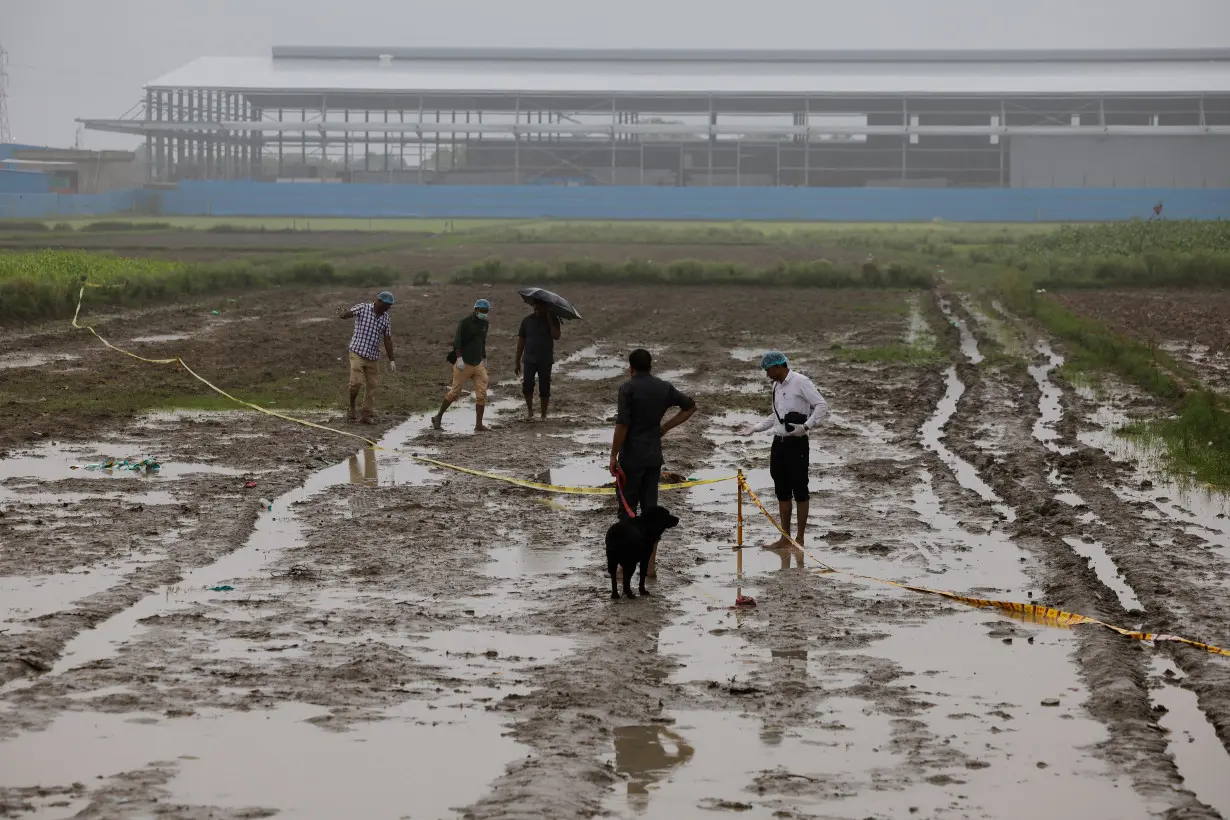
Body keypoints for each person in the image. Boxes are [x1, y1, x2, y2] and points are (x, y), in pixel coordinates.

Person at [609, 349, 696, 574]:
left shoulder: (627, 388)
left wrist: (613, 456)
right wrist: (665, 427)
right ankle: (650, 566)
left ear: (631, 368)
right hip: (653, 458)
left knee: (627, 511)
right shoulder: (663, 387)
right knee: (651, 512)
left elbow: (622, 424)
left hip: (631, 459)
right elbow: (690, 407)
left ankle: (623, 567)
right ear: (650, 366)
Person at [739, 351, 830, 549]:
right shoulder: (775, 386)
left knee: (800, 489)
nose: (766, 374)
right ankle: (785, 538)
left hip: (797, 443)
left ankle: (800, 538)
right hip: (778, 442)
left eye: (768, 370)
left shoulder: (801, 382)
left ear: (779, 366)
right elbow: (775, 416)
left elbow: (821, 405)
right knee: (781, 490)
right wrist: (755, 428)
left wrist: (806, 426)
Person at [433, 298, 492, 433]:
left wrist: (484, 357)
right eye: (483, 311)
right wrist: (459, 359)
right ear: (476, 310)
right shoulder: (464, 323)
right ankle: (438, 417)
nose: (485, 314)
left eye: (487, 311)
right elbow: (457, 343)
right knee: (455, 393)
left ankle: (478, 424)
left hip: (478, 363)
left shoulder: (485, 324)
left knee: (482, 393)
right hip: (464, 363)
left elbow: (482, 341)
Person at [339, 291, 396, 424]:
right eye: (386, 305)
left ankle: (367, 413)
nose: (388, 308)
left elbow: (387, 339)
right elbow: (349, 314)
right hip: (357, 352)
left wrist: (391, 359)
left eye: (390, 306)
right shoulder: (363, 308)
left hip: (373, 356)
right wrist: (343, 315)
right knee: (356, 383)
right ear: (379, 301)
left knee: (373, 385)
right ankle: (352, 405)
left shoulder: (386, 318)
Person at [515, 300, 561, 421]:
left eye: (540, 307)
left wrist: (550, 319)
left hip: (545, 359)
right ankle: (530, 410)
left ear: (546, 307)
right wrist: (517, 361)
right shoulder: (526, 321)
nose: (537, 309)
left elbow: (556, 336)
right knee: (527, 385)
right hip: (529, 359)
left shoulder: (553, 320)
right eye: (535, 306)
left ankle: (544, 414)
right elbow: (521, 342)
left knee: (545, 387)